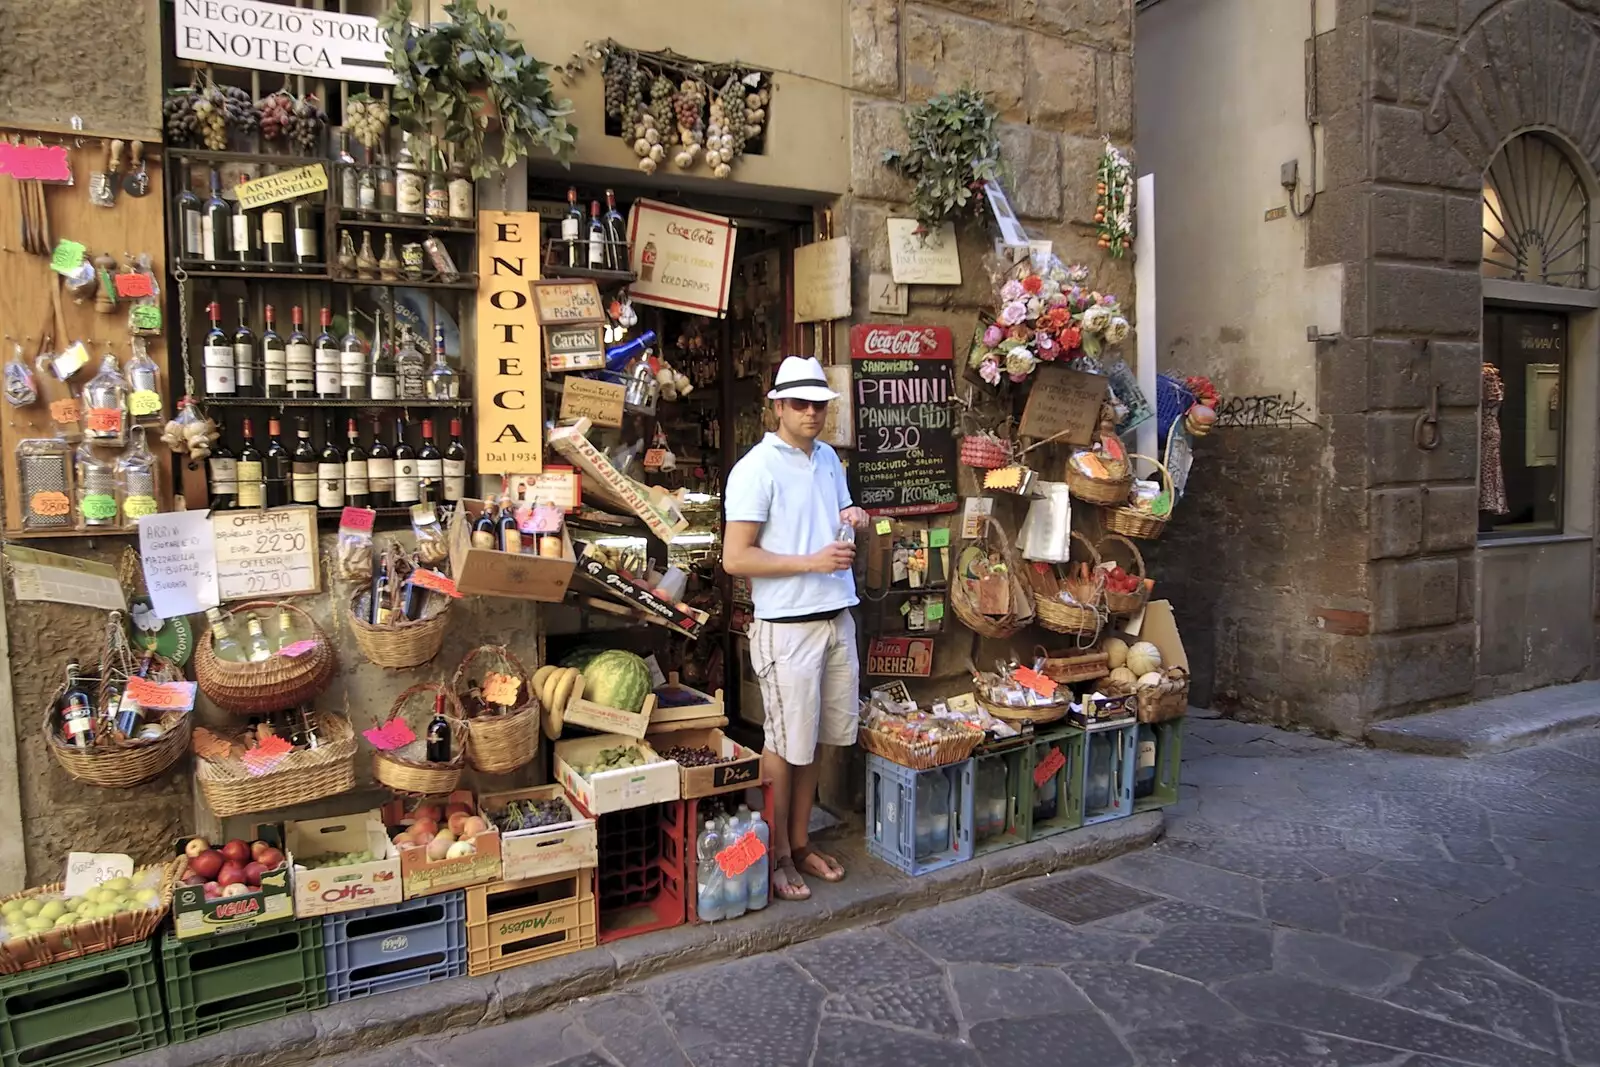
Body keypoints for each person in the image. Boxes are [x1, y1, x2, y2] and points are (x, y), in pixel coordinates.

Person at [723, 355, 868, 902]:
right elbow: (736, 558)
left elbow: (845, 510)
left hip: (836, 617)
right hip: (786, 626)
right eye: (800, 404)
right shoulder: (756, 469)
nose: (811, 414)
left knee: (816, 743)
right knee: (782, 746)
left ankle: (801, 842)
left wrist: (857, 516)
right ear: (778, 406)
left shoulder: (829, 458)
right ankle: (774, 854)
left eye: (819, 405)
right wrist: (811, 562)